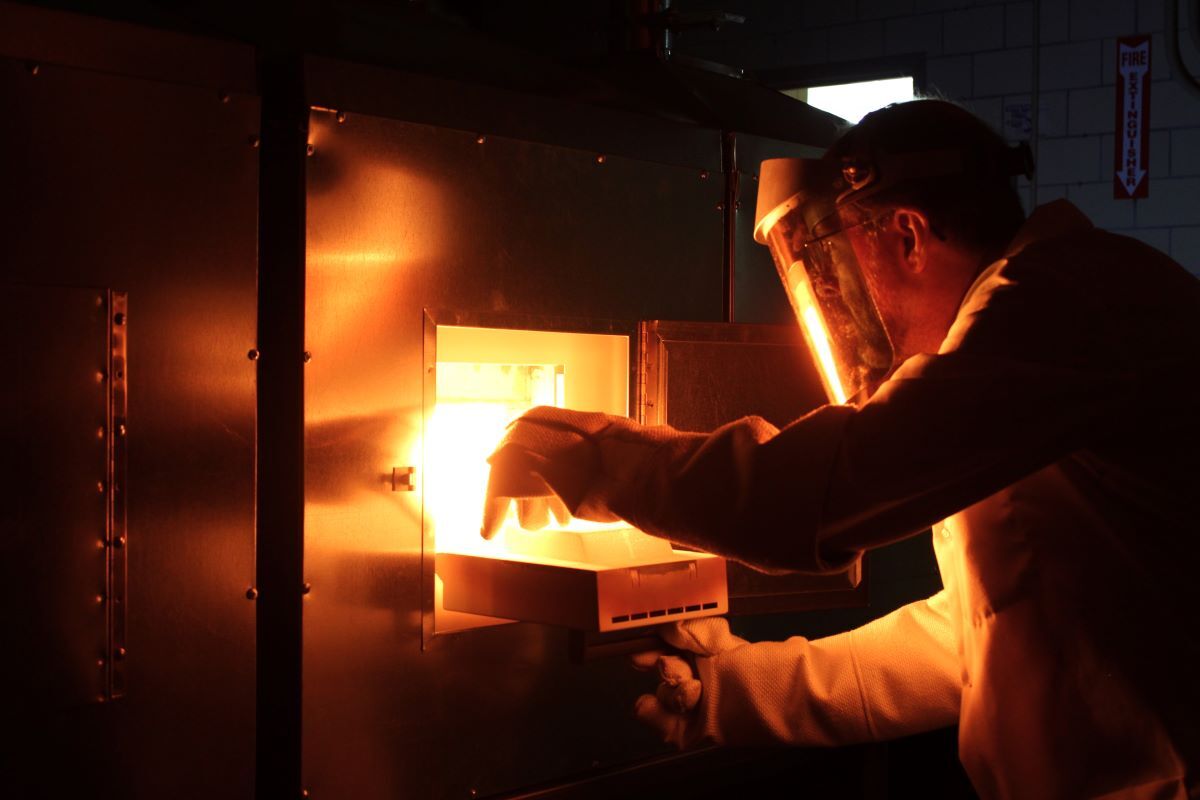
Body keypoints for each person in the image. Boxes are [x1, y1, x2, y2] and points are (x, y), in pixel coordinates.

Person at [480, 100, 1200, 799]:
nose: (833, 296)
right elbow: (987, 634)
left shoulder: (1064, 302)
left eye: (837, 267)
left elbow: (814, 495)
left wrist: (586, 457)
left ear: (908, 235)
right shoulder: (1027, 332)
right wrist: (733, 691)